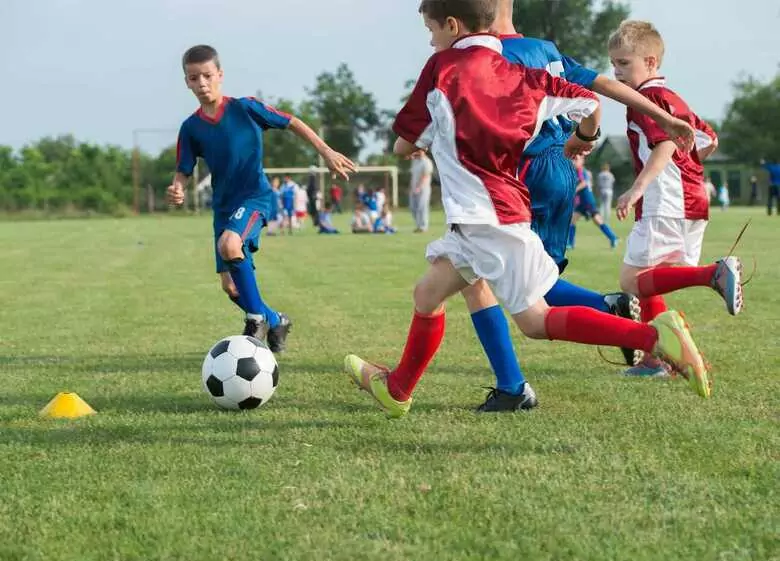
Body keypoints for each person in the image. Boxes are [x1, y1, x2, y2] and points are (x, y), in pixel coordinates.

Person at [343, 0, 711, 419]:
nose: (430, 41)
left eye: (431, 31)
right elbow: (591, 101)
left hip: (487, 218)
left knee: (536, 321)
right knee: (427, 294)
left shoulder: (442, 67)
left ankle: (653, 338)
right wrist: (583, 139)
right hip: (493, 214)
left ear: (451, 25)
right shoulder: (527, 77)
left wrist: (423, 141)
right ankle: (398, 390)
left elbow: (403, 144)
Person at [447, 0, 699, 412]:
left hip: (521, 173)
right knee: (496, 278)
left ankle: (526, 378)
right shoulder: (545, 49)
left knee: (517, 291)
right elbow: (599, 90)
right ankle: (602, 319)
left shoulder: (488, 55)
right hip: (558, 170)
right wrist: (606, 131)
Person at [167, 45, 355, 352]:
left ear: (220, 75)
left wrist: (326, 151)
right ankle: (275, 319)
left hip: (256, 197)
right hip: (224, 208)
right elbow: (183, 169)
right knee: (230, 286)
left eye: (207, 76)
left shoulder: (245, 108)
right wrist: (177, 186)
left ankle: (256, 320)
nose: (201, 83)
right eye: (193, 78)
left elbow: (291, 121)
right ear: (186, 81)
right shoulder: (191, 128)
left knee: (229, 244)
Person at [608, 21, 743, 377]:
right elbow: (708, 139)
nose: (616, 72)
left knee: (632, 281)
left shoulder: (646, 100)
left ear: (650, 63)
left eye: (624, 63)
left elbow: (667, 142)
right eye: (614, 64)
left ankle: (713, 274)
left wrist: (637, 187)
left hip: (665, 199)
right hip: (691, 199)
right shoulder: (674, 97)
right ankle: (658, 359)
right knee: (650, 276)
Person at [568, 154, 619, 249]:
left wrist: (573, 191)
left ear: (582, 161)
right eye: (573, 159)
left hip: (587, 200)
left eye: (576, 159)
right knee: (572, 220)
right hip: (582, 202)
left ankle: (613, 237)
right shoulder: (576, 171)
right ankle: (571, 244)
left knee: (597, 220)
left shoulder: (581, 170)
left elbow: (584, 183)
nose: (573, 161)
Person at [409, 150, 434, 233]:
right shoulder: (415, 161)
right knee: (412, 208)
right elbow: (412, 176)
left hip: (424, 188)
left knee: (421, 207)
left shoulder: (427, 162)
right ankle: (418, 225)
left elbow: (425, 175)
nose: (417, 152)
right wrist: (411, 187)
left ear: (423, 151)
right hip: (413, 188)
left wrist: (419, 187)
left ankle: (423, 227)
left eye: (419, 151)